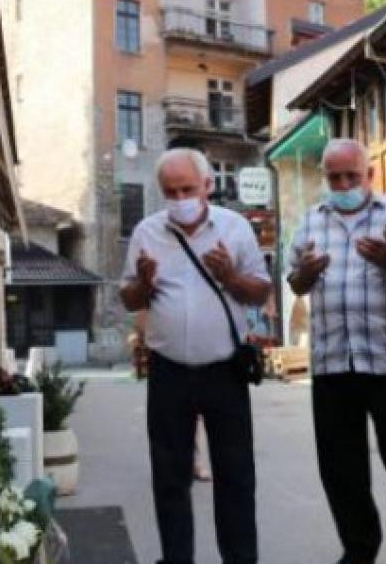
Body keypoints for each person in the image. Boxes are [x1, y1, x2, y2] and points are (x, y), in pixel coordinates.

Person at [287, 138, 386, 564]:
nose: (343, 185)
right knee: (341, 469)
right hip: (332, 363)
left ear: (369, 175)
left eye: (351, 176)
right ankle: (358, 549)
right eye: (334, 177)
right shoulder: (311, 221)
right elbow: (296, 283)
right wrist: (305, 273)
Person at [120, 148, 272, 564]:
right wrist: (144, 283)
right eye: (170, 191)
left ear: (207, 185)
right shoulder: (147, 232)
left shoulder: (235, 228)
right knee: (169, 477)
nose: (180, 198)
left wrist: (230, 276)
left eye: (187, 189)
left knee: (235, 476)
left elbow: (260, 291)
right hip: (168, 371)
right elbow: (129, 298)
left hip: (224, 371)